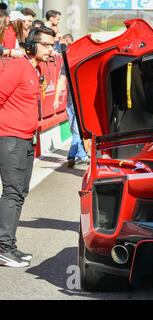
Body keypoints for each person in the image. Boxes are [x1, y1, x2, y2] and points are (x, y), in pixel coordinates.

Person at [0, 26, 56, 267]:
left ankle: (8, 245)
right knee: (12, 193)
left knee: (20, 193)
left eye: (53, 45)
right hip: (10, 139)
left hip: (26, 139)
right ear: (32, 46)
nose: (51, 50)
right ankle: (3, 248)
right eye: (47, 45)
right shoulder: (17, 67)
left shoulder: (37, 68)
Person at [53, 35, 90, 168]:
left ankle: (77, 155)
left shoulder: (80, 60)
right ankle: (76, 154)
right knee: (75, 129)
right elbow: (61, 80)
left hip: (79, 102)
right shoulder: (69, 61)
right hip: (73, 102)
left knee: (76, 129)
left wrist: (56, 99)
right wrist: (56, 98)